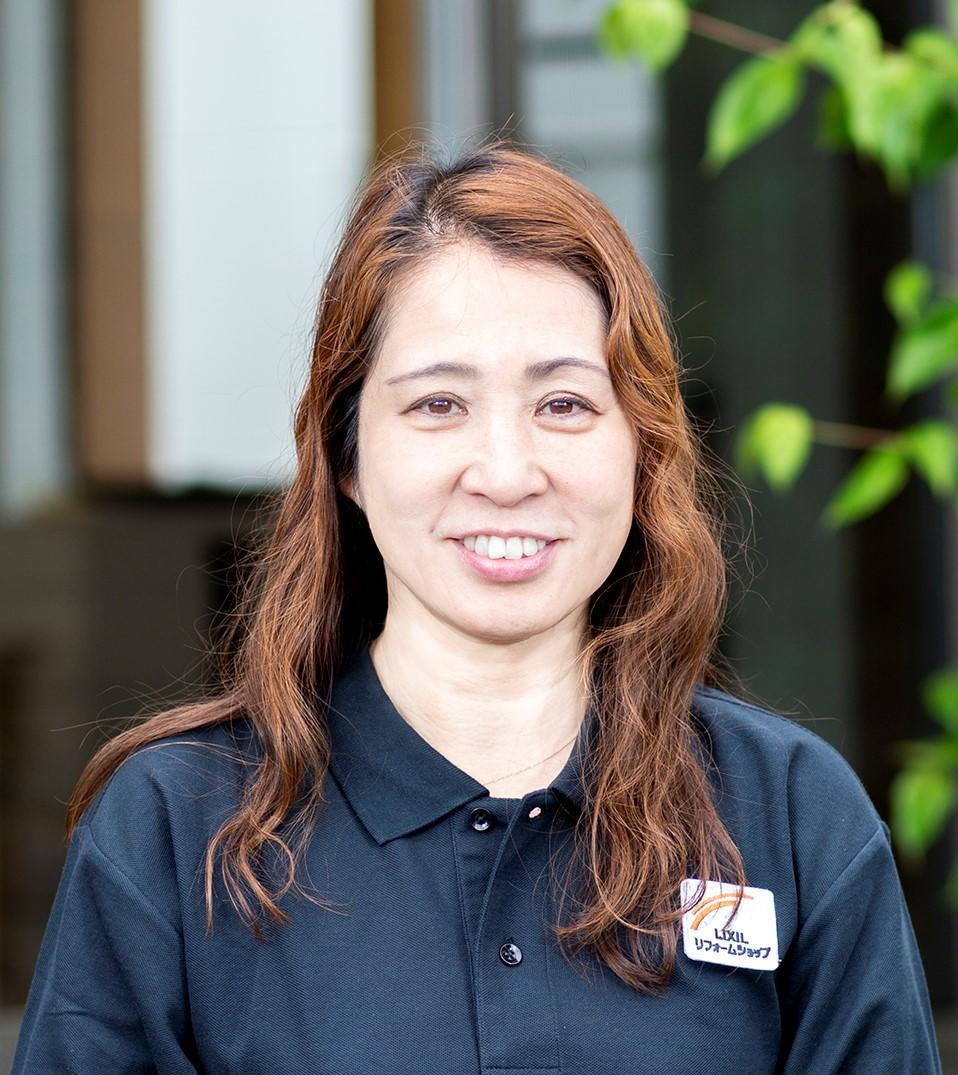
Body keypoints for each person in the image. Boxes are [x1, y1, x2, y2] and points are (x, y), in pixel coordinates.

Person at [12, 141, 941, 1074]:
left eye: (565, 404)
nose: (505, 473)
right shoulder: (177, 829)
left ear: (643, 448)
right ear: (346, 456)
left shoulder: (791, 815)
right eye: (439, 404)